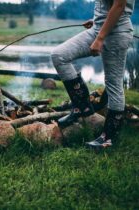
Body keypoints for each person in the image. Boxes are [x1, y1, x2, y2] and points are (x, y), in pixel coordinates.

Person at [51, 0, 135, 149]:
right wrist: (98, 20)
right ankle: (82, 107)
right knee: (59, 55)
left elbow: (119, 5)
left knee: (113, 83)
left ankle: (108, 137)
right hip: (99, 28)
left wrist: (100, 38)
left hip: (116, 33)